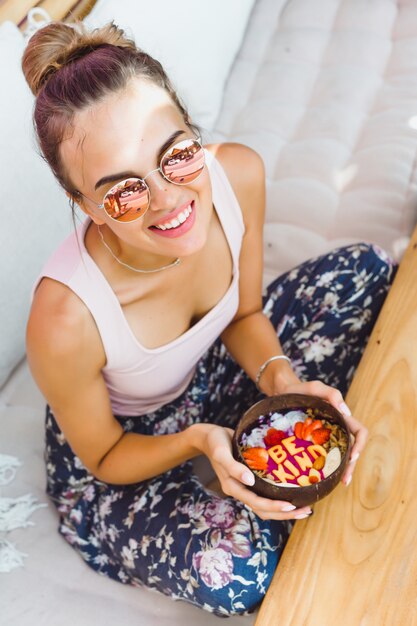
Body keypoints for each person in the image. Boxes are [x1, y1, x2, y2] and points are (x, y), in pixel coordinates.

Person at [23, 21, 396, 617]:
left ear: (193, 132)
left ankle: (247, 455)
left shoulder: (239, 174)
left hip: (210, 370)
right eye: (124, 191)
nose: (169, 199)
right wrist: (201, 441)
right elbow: (104, 457)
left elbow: (244, 313)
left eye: (177, 154)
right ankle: (240, 472)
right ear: (85, 204)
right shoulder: (64, 319)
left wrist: (283, 382)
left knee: (366, 268)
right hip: (122, 450)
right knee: (236, 573)